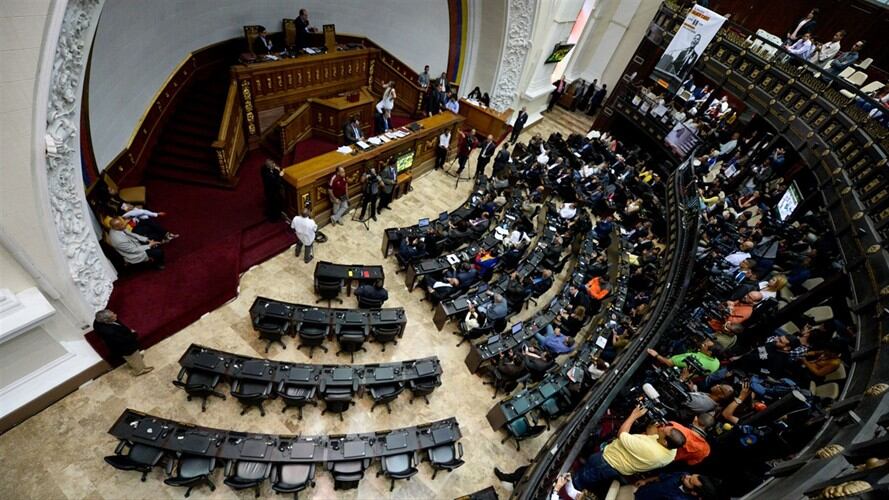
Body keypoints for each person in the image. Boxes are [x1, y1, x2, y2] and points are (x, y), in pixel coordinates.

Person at [571, 405, 685, 491]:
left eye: (664, 431)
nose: (662, 428)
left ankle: (570, 487)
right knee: (592, 474)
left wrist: (634, 416)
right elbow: (650, 436)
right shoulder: (672, 451)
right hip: (617, 467)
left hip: (607, 462)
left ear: (665, 441)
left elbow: (621, 434)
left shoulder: (649, 449)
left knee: (583, 477)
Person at [93, 309, 154, 376]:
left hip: (121, 344)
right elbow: (123, 340)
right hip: (126, 348)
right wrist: (134, 334)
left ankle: (133, 362)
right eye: (113, 315)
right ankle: (140, 370)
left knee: (132, 358)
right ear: (107, 321)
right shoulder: (110, 332)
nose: (115, 314)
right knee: (133, 356)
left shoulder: (98, 322)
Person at [647, 339, 722, 375]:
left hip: (673, 369)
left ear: (709, 353)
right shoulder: (716, 363)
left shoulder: (692, 358)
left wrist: (656, 355)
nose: (702, 344)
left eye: (705, 345)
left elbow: (669, 363)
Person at [633, 472, 722, 500]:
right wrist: (645, 481)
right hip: (639, 491)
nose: (687, 476)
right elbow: (661, 478)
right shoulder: (683, 474)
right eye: (691, 475)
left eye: (689, 480)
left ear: (694, 492)